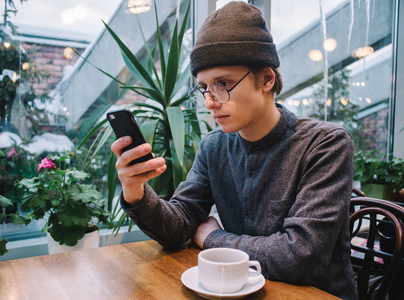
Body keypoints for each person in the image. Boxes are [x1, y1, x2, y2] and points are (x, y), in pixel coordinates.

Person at [111, 2, 357, 299]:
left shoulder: (325, 144)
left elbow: (300, 257)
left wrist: (212, 238)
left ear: (266, 79)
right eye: (204, 87)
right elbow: (180, 225)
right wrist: (134, 191)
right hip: (239, 291)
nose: (210, 102)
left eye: (223, 84)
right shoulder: (215, 146)